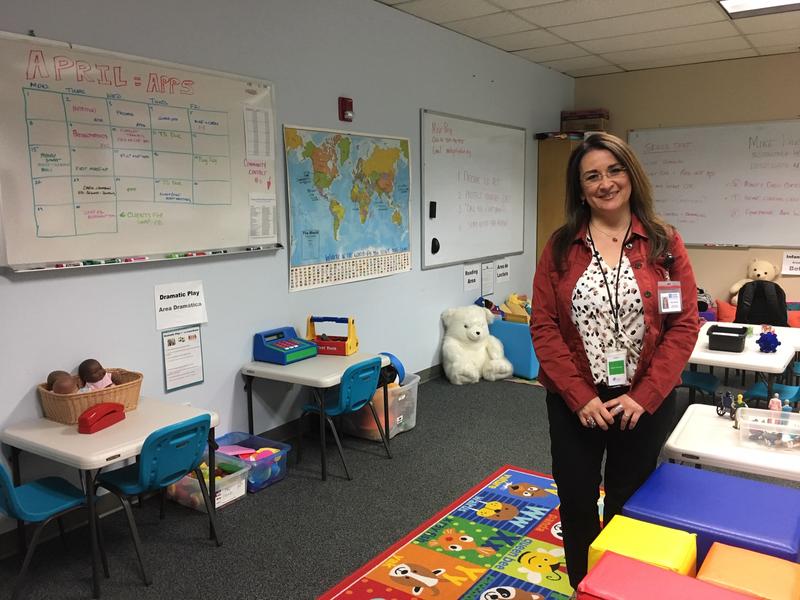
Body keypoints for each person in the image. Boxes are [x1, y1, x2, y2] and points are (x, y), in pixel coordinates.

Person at [531, 132, 699, 589]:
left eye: (614, 170)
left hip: (642, 401)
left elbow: (684, 324)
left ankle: (619, 590)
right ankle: (586, 588)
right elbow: (543, 327)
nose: (606, 183)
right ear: (580, 188)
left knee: (629, 498)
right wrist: (580, 396)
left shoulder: (664, 243)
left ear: (631, 174)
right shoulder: (562, 246)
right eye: (592, 175)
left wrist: (643, 397)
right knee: (578, 500)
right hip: (575, 401)